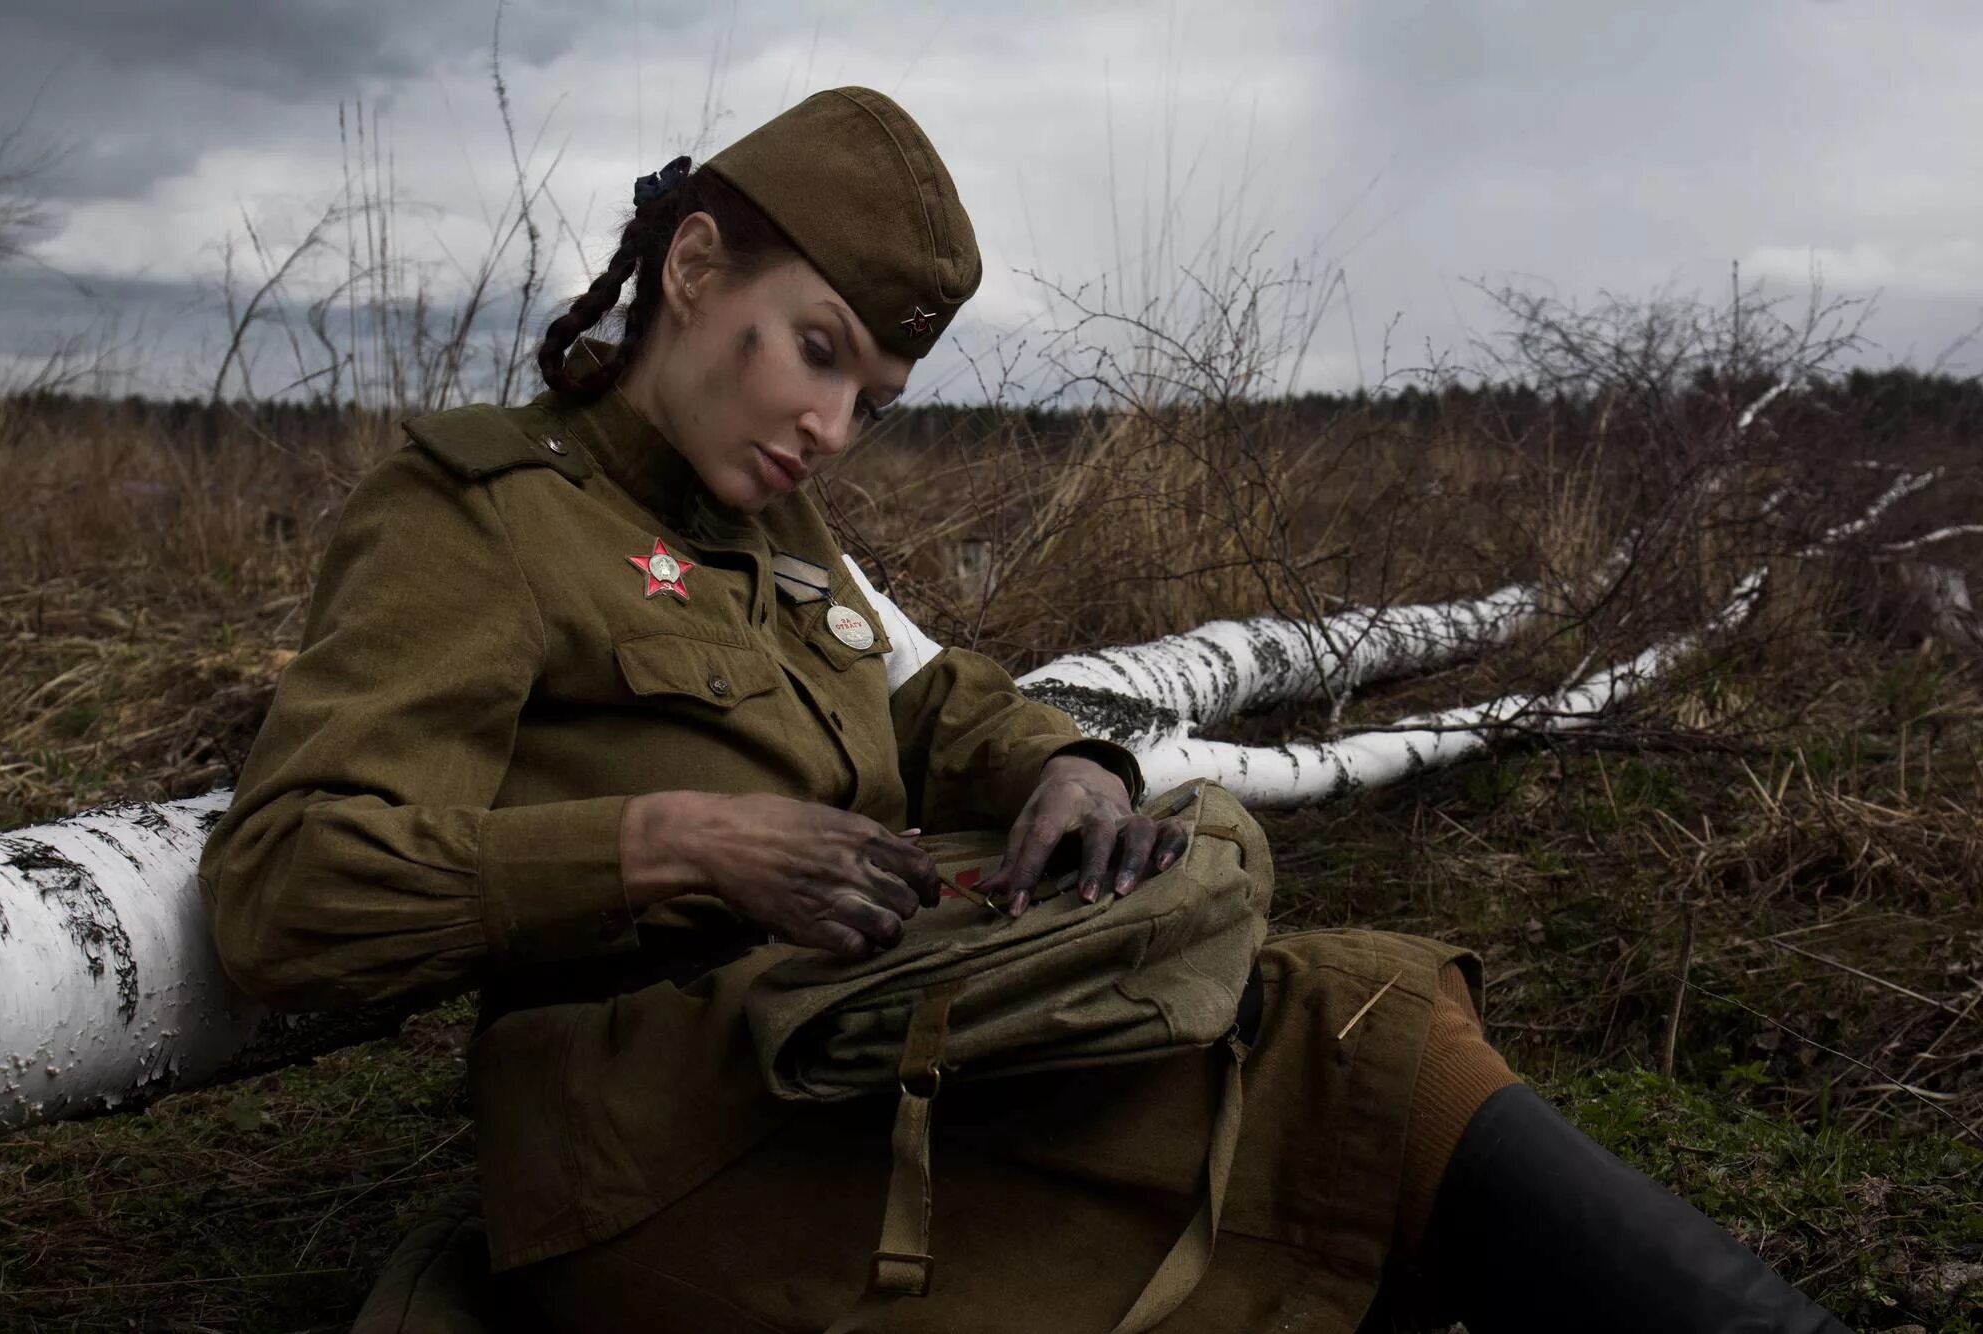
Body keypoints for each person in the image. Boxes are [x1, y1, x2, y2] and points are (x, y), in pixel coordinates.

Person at [199, 87, 1852, 1334]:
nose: (836, 425)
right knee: (1286, 1132)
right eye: (818, 352)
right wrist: (666, 840)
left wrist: (1066, 759)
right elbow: (286, 890)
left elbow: (927, 700)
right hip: (672, 1148)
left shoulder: (766, 523)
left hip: (876, 1045)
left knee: (1342, 1021)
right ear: (694, 268)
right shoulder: (477, 516)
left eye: (873, 396)